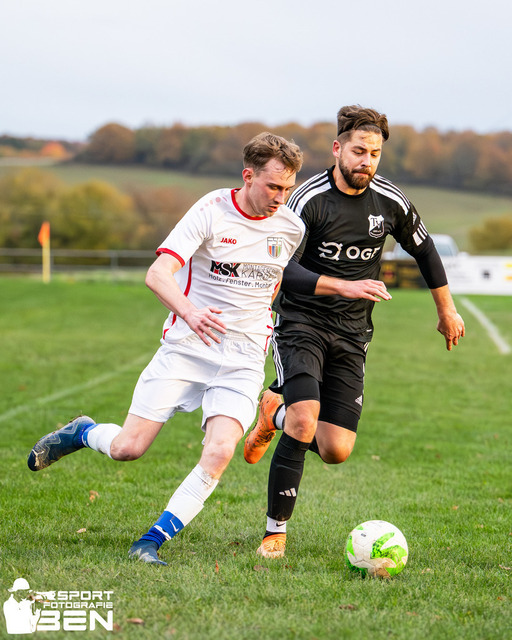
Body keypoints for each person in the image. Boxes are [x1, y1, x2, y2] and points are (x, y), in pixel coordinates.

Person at [27, 132, 305, 565]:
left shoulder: (291, 227)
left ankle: (150, 542)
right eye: (273, 186)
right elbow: (158, 274)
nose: (280, 198)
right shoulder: (211, 211)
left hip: (243, 359)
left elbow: (274, 281)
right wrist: (191, 313)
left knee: (220, 451)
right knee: (128, 448)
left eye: (287, 188)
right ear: (248, 176)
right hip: (188, 346)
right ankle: (82, 432)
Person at [243, 106, 465, 559]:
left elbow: (425, 251)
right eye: (359, 151)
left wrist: (447, 310)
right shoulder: (307, 200)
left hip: (353, 332)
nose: (367, 161)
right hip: (301, 323)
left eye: (375, 153)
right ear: (337, 149)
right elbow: (282, 268)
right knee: (305, 419)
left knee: (336, 449)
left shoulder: (390, 201)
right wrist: (342, 285)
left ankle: (273, 414)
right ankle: (274, 532)